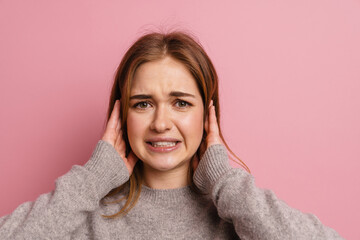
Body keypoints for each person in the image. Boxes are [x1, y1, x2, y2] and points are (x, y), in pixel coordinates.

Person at [0, 30, 344, 240]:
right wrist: (91, 181)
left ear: (207, 117)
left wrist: (228, 184)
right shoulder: (84, 217)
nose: (161, 123)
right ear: (120, 116)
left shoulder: (242, 218)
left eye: (180, 102)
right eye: (143, 104)